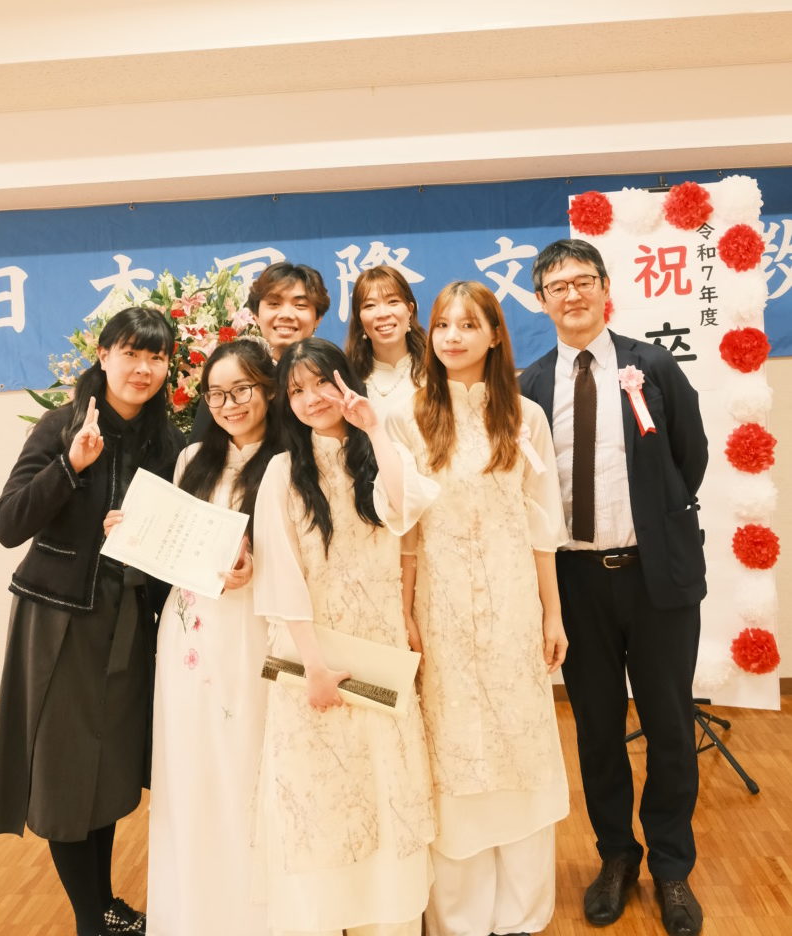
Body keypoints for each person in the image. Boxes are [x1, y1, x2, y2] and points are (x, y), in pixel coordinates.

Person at [519, 239, 708, 936]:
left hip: (656, 578)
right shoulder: (530, 385)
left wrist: (653, 525)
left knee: (669, 727)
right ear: (540, 301)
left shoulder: (651, 365)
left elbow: (689, 456)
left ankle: (671, 866)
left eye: (582, 281)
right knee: (597, 730)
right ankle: (616, 857)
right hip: (574, 584)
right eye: (556, 286)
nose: (571, 295)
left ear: (604, 288)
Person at [0, 307, 184, 936]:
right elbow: (7, 523)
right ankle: (91, 919)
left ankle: (106, 903)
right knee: (66, 776)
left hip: (131, 620)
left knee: (108, 771)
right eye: (131, 353)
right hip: (60, 620)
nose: (142, 368)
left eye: (156, 357)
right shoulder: (62, 425)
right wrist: (70, 465)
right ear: (103, 355)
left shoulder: (168, 440)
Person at [386, 280, 569, 936]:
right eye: (442, 325)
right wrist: (405, 612)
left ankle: (520, 913)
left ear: (495, 335)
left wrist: (552, 615)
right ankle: (460, 918)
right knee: (454, 745)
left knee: (519, 744)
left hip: (513, 604)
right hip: (440, 609)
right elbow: (404, 534)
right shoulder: (405, 417)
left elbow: (541, 527)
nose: (453, 336)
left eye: (469, 324)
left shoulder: (526, 417)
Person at [252, 338, 436, 936]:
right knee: (322, 798)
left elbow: (405, 509)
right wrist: (314, 667)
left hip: (379, 651)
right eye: (296, 390)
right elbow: (281, 576)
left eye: (320, 384)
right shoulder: (282, 471)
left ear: (345, 382)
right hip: (317, 662)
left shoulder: (379, 453)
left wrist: (374, 429)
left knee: (386, 790)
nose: (310, 399)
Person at [116, 337, 279, 936]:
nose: (230, 404)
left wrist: (256, 565)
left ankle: (257, 917)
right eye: (216, 394)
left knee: (249, 764)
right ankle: (193, 915)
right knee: (191, 769)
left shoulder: (290, 458)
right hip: (189, 638)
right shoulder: (191, 459)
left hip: (256, 630)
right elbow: (176, 546)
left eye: (242, 390)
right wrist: (134, 530)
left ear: (269, 390)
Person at [188, 260, 330, 442]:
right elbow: (201, 449)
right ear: (255, 315)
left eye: (300, 305)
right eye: (274, 303)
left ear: (318, 317)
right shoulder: (230, 373)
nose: (286, 314)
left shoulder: (333, 375)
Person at [344, 265, 426, 420]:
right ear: (359, 318)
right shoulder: (348, 378)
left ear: (410, 310)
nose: (382, 314)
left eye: (393, 301)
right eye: (370, 305)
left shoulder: (436, 368)